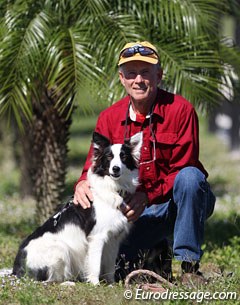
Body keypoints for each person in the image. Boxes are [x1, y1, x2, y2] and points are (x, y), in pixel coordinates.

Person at [73, 41, 216, 280]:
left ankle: (190, 268)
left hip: (176, 204)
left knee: (191, 178)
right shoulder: (108, 118)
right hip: (132, 213)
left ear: (158, 75)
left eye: (145, 72)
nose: (138, 80)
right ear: (122, 78)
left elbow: (185, 166)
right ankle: (157, 252)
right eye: (131, 73)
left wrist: (147, 195)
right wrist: (81, 183)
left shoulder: (182, 110)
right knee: (116, 266)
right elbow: (93, 165)